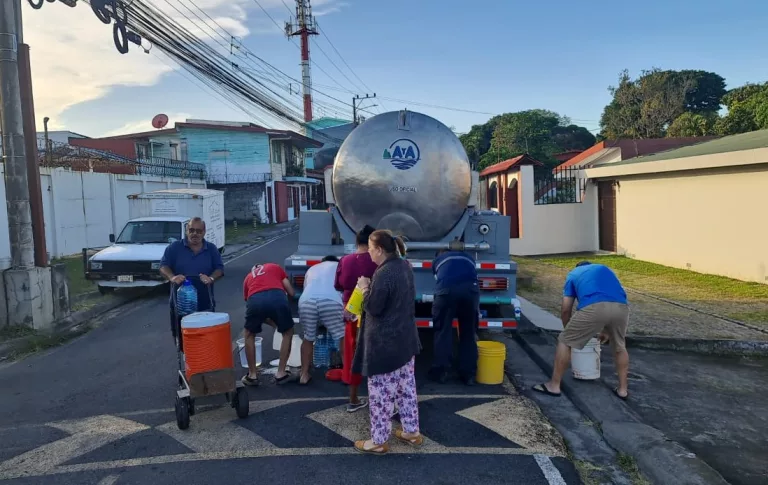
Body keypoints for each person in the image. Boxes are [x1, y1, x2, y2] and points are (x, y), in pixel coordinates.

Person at [352, 229, 422, 454]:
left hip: (385, 345)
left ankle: (379, 440)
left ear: (380, 250)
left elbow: (374, 307)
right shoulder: (405, 266)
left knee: (381, 395)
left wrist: (364, 287)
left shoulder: (384, 273)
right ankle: (411, 432)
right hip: (406, 340)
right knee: (406, 389)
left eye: (371, 250)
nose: (369, 254)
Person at [533, 261, 631, 400]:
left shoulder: (574, 274)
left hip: (594, 307)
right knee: (620, 347)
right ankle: (623, 390)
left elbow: (566, 310)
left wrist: (568, 332)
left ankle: (554, 386)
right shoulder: (605, 269)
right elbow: (610, 300)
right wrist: (606, 330)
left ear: (578, 267)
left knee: (564, 341)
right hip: (622, 307)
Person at [334, 224, 377, 413]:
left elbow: (339, 285)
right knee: (377, 354)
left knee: (353, 353)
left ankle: (353, 398)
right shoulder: (378, 261)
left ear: (356, 241)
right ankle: (380, 399)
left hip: (351, 311)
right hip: (374, 310)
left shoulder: (346, 260)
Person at [159, 217, 224, 342]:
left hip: (205, 301)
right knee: (183, 338)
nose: (195, 234)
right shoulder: (174, 248)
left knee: (206, 338)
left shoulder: (211, 249)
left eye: (199, 231)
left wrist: (210, 278)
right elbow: (163, 266)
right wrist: (172, 277)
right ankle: (187, 358)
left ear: (204, 232)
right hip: (181, 303)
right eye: (192, 230)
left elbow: (220, 269)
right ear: (186, 230)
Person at [429, 248, 480, 385]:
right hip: (471, 292)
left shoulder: (438, 260)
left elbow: (439, 279)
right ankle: (468, 375)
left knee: (443, 331)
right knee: (468, 333)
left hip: (446, 292)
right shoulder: (468, 257)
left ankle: (441, 372)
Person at [242, 262, 297, 386]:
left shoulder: (248, 278)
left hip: (255, 301)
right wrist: (283, 318)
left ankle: (252, 375)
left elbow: (252, 305)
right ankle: (281, 373)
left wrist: (269, 321)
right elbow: (291, 292)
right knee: (288, 332)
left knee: (249, 334)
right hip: (277, 297)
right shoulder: (274, 267)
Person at [298, 255, 344, 385]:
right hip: (331, 300)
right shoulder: (340, 266)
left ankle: (304, 374)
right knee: (342, 337)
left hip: (306, 300)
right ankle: (348, 372)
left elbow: (306, 288)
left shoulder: (312, 269)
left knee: (308, 338)